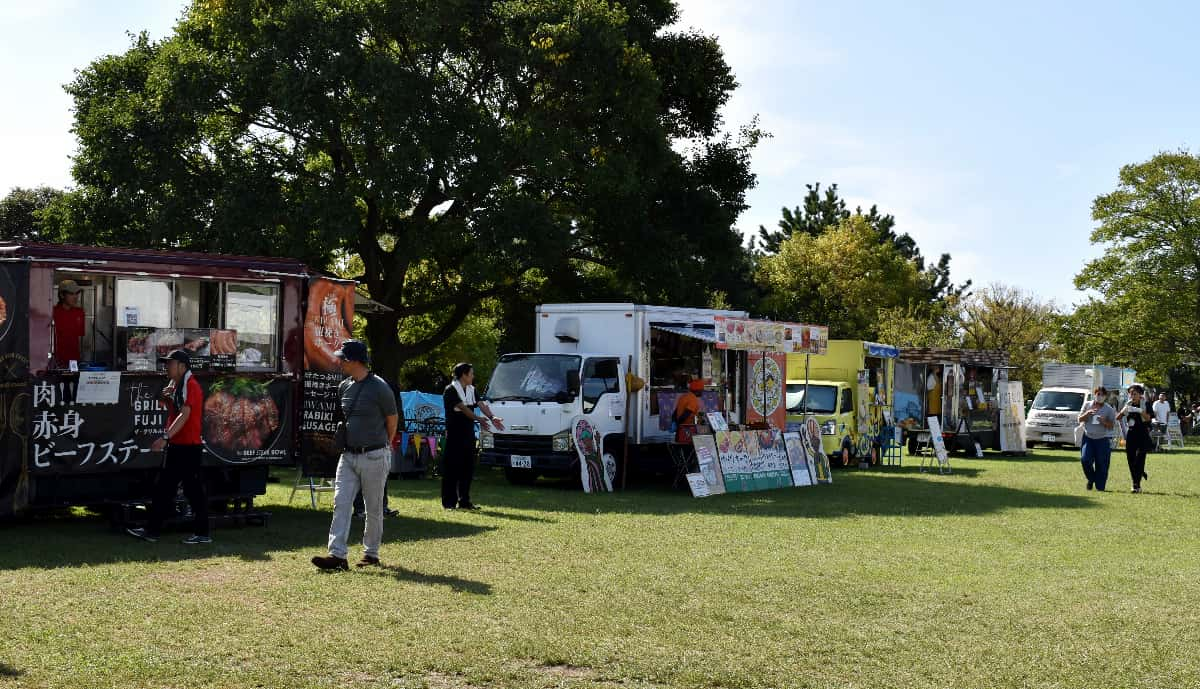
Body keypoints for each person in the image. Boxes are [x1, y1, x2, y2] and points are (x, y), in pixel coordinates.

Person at [312, 340, 399, 570]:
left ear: (356, 361)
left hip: (374, 455)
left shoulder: (380, 387)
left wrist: (383, 446)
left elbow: (392, 420)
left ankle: (371, 554)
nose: (339, 362)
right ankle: (337, 556)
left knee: (373, 508)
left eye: (343, 358)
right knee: (340, 503)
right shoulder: (344, 386)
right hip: (348, 456)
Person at [126, 350, 211, 544]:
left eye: (170, 364)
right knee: (165, 489)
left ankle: (202, 534)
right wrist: (166, 399)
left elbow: (185, 415)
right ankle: (152, 531)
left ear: (182, 366)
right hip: (178, 446)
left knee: (193, 491)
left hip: (188, 447)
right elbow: (175, 411)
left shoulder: (191, 386)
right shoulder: (176, 385)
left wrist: (165, 437)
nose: (166, 367)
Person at [442, 362, 502, 510]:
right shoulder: (450, 390)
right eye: (471, 373)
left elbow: (480, 403)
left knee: (467, 468)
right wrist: (479, 419)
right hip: (455, 434)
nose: (473, 376)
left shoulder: (471, 389)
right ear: (464, 375)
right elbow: (463, 409)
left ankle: (465, 501)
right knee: (452, 468)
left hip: (468, 434)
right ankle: (449, 502)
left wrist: (492, 417)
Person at [1077, 386, 1116, 491]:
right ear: (1094, 395)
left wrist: (1104, 422)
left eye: (1102, 395)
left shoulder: (1109, 409)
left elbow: (1112, 426)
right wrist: (1087, 414)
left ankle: (1100, 485)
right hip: (1088, 438)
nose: (1099, 397)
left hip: (1102, 439)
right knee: (1085, 460)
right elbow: (1079, 419)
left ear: (1105, 397)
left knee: (1102, 464)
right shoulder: (1087, 405)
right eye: (1098, 394)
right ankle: (1091, 479)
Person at [1118, 384, 1153, 493]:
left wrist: (1140, 411)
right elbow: (1118, 417)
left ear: (1140, 394)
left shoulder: (1146, 404)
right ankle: (1139, 475)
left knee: (1140, 459)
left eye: (1135, 394)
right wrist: (1124, 410)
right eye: (1131, 394)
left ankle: (1136, 484)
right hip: (1131, 434)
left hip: (1143, 434)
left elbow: (1148, 419)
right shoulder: (1128, 404)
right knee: (1131, 460)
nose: (1132, 396)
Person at [53, 279, 86, 368]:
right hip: (56, 362)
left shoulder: (79, 312)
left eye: (77, 293)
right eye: (71, 294)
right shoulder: (53, 312)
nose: (75, 297)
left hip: (74, 362)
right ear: (62, 295)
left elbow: (79, 337)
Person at [672, 379, 705, 443]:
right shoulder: (693, 399)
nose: (702, 392)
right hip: (686, 430)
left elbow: (675, 413)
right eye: (702, 390)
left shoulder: (683, 396)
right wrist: (679, 424)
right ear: (697, 390)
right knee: (687, 450)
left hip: (680, 430)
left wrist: (675, 424)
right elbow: (686, 414)